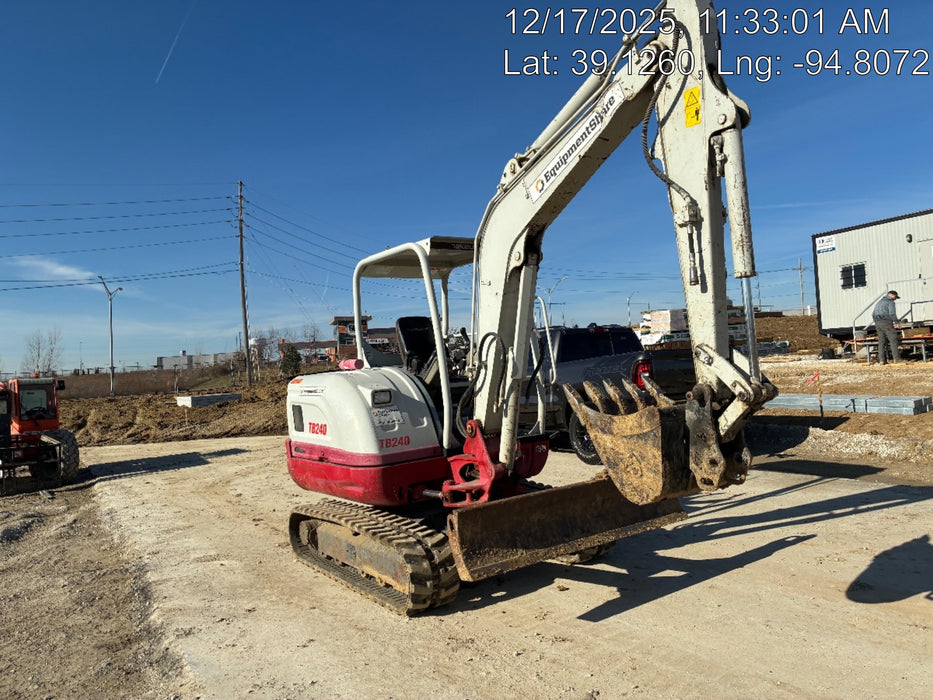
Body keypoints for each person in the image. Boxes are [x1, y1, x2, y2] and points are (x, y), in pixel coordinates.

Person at [871, 290, 901, 364]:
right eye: (895, 297)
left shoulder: (879, 302)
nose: (895, 299)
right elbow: (892, 313)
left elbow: (873, 313)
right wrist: (897, 322)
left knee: (881, 341)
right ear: (891, 295)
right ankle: (896, 359)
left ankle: (882, 360)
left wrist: (877, 322)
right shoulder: (890, 302)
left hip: (878, 323)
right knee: (893, 339)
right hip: (887, 322)